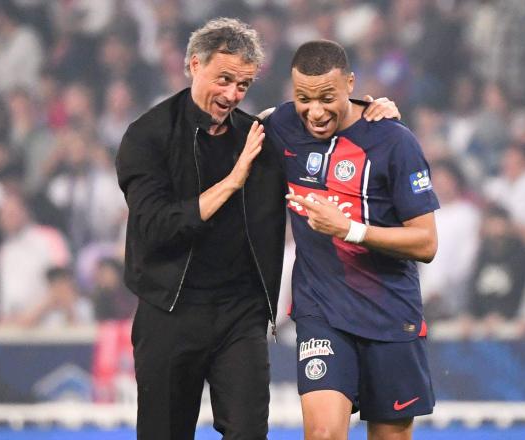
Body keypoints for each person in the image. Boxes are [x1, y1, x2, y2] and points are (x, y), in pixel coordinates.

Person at [116, 18, 398, 440]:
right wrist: (231, 181)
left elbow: (323, 127)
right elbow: (156, 227)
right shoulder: (148, 137)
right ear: (194, 65)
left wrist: (376, 113)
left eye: (243, 84)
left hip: (240, 315)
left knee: (249, 433)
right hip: (169, 312)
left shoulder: (261, 136)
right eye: (224, 79)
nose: (232, 94)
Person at [267, 40, 439, 440]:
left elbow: (426, 243)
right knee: (324, 433)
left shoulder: (395, 141)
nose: (315, 111)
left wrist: (350, 230)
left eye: (327, 97)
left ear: (350, 84)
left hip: (391, 313)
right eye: (303, 98)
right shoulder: (282, 125)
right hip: (321, 310)